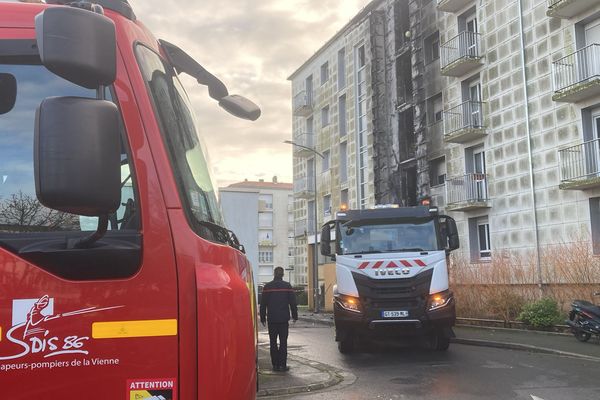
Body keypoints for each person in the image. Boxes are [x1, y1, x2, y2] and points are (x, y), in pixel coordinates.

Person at [260, 266, 298, 372]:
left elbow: (263, 304)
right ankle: (282, 365)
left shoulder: (267, 287)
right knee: (283, 342)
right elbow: (293, 303)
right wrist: (295, 316)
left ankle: (275, 365)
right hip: (283, 319)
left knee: (273, 342)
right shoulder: (287, 286)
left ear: (274, 274)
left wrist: (262, 317)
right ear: (283, 275)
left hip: (272, 319)